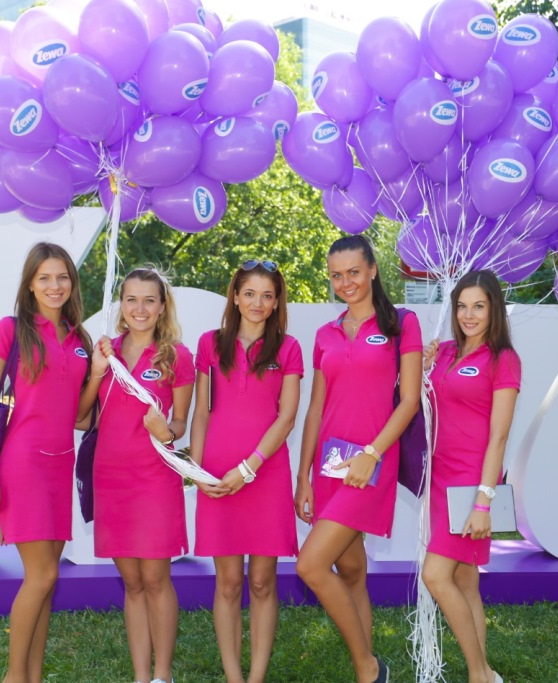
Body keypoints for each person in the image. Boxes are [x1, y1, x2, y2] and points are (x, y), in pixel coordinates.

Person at [295, 235, 423, 683]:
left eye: (353, 272)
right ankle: (365, 672)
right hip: (330, 463)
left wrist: (371, 454)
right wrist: (303, 476)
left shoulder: (402, 324)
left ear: (372, 269)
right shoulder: (325, 334)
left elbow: (409, 401)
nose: (345, 282)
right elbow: (316, 409)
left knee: (310, 565)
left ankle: (370, 668)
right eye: (336, 275)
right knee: (350, 571)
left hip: (371, 464)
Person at [0, 242, 93, 683]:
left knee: (47, 580)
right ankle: (13, 676)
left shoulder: (80, 340)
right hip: (22, 465)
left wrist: (99, 373)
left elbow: (80, 417)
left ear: (72, 283)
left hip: (61, 467)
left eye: (62, 277)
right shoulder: (11, 330)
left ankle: (33, 677)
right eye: (44, 278)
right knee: (41, 576)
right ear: (30, 284)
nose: (54, 285)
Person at [189, 259, 303, 683]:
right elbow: (202, 412)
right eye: (250, 293)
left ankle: (256, 678)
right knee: (228, 583)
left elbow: (286, 418)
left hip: (265, 474)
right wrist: (197, 471)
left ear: (276, 303)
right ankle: (234, 677)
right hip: (218, 476)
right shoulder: (209, 343)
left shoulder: (288, 348)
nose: (258, 302)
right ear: (235, 296)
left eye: (267, 296)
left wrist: (249, 468)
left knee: (261, 582)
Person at [86, 266, 194, 683]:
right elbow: (82, 415)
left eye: (149, 300)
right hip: (110, 477)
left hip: (154, 478)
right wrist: (98, 369)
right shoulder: (106, 351)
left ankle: (163, 675)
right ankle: (140, 676)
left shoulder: (177, 356)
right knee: (131, 583)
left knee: (155, 578)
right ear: (122, 304)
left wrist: (166, 431)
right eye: (131, 299)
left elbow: (180, 423)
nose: (140, 308)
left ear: (163, 306)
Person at [421, 270, 521, 683]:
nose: (468, 315)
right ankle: (483, 675)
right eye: (462, 306)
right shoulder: (444, 352)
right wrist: (424, 367)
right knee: (464, 580)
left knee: (435, 575)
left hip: (471, 483)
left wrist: (483, 502)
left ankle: (481, 675)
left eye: (478, 306)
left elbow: (499, 437)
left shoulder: (503, 359)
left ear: (494, 309)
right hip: (439, 479)